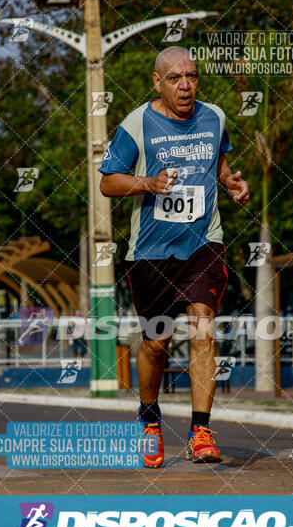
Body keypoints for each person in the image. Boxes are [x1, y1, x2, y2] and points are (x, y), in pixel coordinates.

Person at [99, 46, 250, 467]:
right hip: (150, 251)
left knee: (204, 323)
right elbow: (108, 184)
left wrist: (232, 183)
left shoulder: (214, 116)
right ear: (157, 81)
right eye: (174, 78)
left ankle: (201, 432)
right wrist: (148, 182)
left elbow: (218, 166)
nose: (185, 85)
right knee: (156, 343)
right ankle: (150, 419)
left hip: (203, 242)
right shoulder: (137, 124)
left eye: (192, 76)